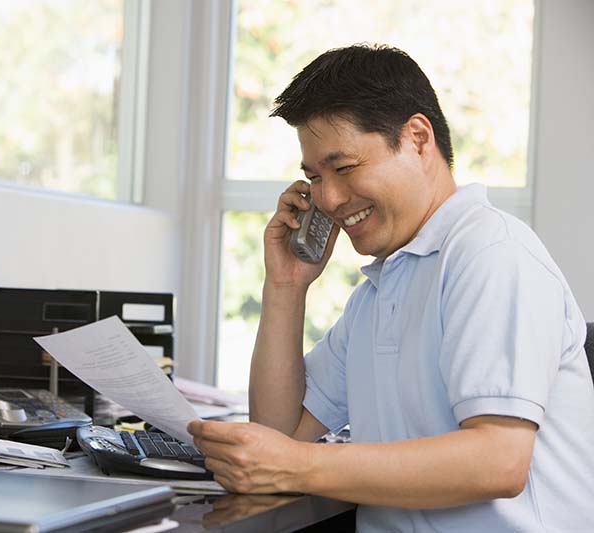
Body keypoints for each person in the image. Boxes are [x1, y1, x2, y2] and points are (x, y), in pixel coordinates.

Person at [188, 44, 594, 531]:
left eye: (344, 168)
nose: (330, 199)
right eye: (314, 177)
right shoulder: (379, 292)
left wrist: (297, 465)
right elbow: (279, 434)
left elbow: (499, 461)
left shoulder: (491, 253)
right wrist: (285, 286)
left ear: (418, 139)